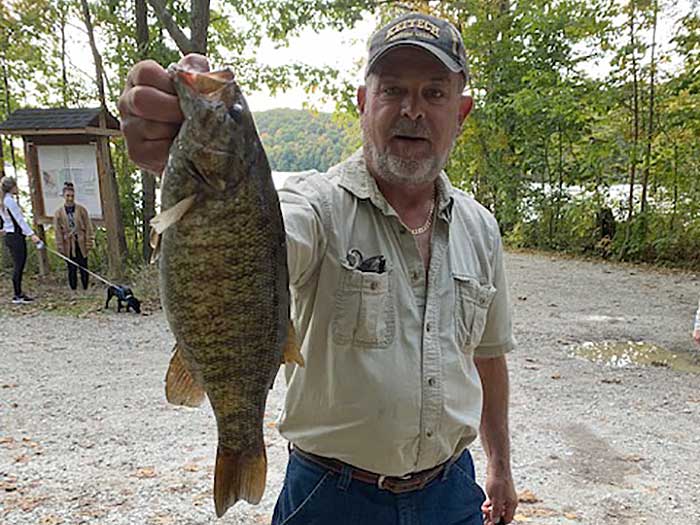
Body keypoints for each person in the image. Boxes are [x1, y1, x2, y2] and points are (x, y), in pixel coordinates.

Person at [118, 12, 518, 525]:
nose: (412, 111)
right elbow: (266, 239)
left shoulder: (480, 228)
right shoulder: (317, 205)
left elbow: (488, 357)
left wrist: (500, 465)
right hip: (330, 497)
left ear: (461, 112)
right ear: (363, 103)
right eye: (393, 89)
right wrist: (188, 161)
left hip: (453, 494)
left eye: (434, 93)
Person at [0, 176, 40, 304]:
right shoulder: (9, 201)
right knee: (19, 265)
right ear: (11, 187)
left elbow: (8, 221)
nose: (17, 188)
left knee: (19, 265)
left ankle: (18, 293)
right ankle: (17, 294)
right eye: (15, 186)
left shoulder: (4, 201)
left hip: (10, 235)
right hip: (16, 237)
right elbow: (19, 220)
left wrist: (5, 228)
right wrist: (32, 234)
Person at [53, 181, 94, 291]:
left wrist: (89, 241)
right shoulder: (59, 213)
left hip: (80, 240)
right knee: (71, 267)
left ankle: (85, 287)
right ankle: (73, 289)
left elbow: (88, 226)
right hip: (68, 243)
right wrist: (60, 245)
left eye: (72, 196)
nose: (70, 198)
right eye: (68, 196)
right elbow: (57, 231)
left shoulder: (81, 210)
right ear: (64, 196)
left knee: (83, 265)